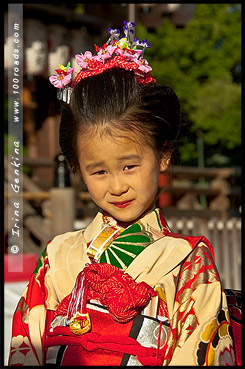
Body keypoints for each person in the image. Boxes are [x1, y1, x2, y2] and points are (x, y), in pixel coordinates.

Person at [8, 21, 235, 366]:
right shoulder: (59, 255)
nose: (116, 186)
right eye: (98, 171)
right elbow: (27, 344)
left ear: (163, 154)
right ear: (77, 168)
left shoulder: (187, 260)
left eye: (129, 166)